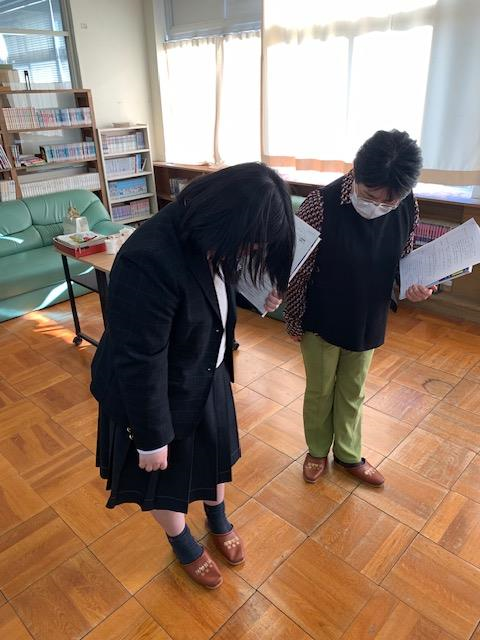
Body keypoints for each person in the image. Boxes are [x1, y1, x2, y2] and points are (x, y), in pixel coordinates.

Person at [91, 162, 295, 589]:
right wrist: (151, 437)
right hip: (153, 391)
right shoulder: (149, 258)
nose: (248, 253)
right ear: (225, 223)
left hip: (204, 370)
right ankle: (181, 540)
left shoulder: (211, 234)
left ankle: (217, 516)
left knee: (212, 454)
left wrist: (255, 296)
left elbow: (211, 290)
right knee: (164, 476)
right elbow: (139, 357)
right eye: (249, 245)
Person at [285, 130, 433, 487]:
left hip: (369, 313)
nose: (378, 206)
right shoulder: (320, 203)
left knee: (353, 389)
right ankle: (317, 450)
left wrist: (414, 285)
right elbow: (297, 270)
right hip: (322, 314)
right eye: (369, 196)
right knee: (320, 389)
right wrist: (293, 319)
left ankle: (349, 454)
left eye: (388, 202)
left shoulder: (407, 204)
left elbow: (403, 258)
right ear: (356, 171)